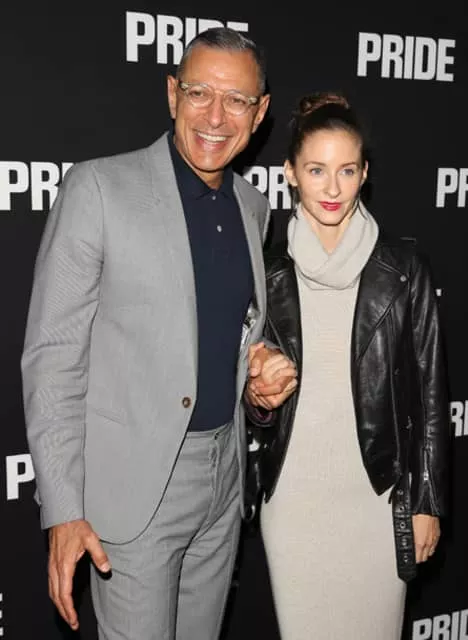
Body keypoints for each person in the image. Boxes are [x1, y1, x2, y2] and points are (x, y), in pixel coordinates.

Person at [21, 27, 296, 640]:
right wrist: (63, 509)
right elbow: (53, 357)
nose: (216, 117)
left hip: (224, 485)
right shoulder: (98, 188)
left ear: (260, 113)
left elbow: (225, 335)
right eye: (199, 93)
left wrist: (257, 386)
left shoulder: (253, 207)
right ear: (173, 94)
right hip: (133, 492)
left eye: (237, 101)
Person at [246, 92, 450, 639]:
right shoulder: (266, 272)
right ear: (290, 173)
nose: (332, 188)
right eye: (316, 170)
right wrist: (258, 396)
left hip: (378, 500)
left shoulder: (403, 269)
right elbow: (250, 400)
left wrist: (426, 502)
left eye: (346, 170)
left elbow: (431, 394)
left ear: (364, 174)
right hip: (293, 501)